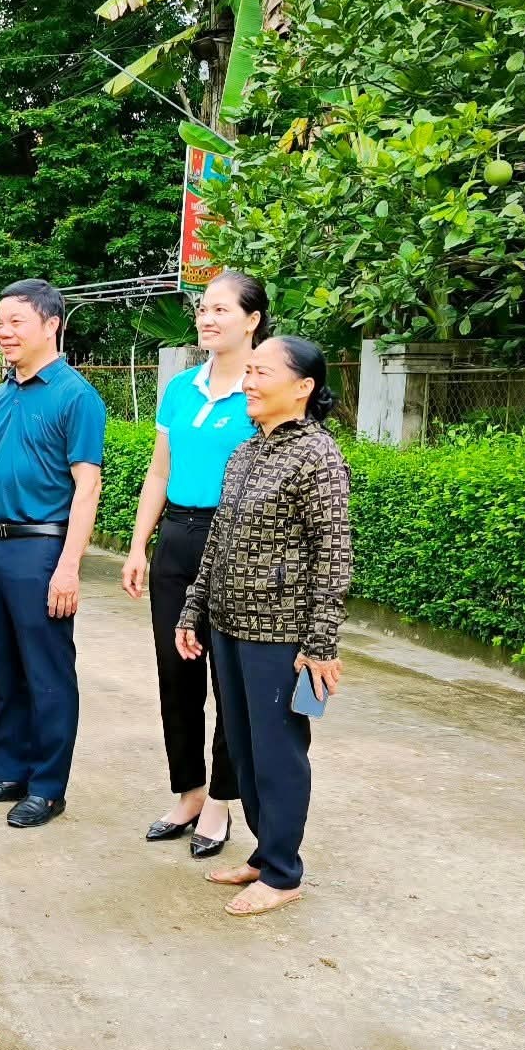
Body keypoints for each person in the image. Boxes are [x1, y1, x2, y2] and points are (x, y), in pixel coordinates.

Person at [175, 336, 351, 917]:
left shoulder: (318, 456)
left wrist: (320, 644)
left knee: (278, 754)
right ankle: (263, 851)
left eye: (261, 372)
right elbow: (218, 540)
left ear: (303, 387)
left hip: (281, 635)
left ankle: (283, 873)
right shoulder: (247, 452)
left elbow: (333, 555)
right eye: (247, 371)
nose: (248, 382)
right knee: (245, 752)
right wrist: (194, 610)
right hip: (228, 626)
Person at [0, 279, 105, 830]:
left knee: (47, 672)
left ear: (50, 324)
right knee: (2, 666)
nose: (4, 332)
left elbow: (87, 487)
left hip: (41, 550)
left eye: (16, 321)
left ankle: (47, 788)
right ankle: (9, 771)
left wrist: (69, 566)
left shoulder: (76, 396)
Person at [122, 270, 267, 856]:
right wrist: (139, 544)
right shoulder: (182, 388)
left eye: (221, 309)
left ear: (253, 320)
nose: (207, 318)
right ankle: (188, 790)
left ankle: (221, 801)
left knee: (229, 676)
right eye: (203, 309)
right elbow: (160, 471)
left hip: (236, 540)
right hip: (178, 537)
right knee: (175, 672)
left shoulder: (264, 391)